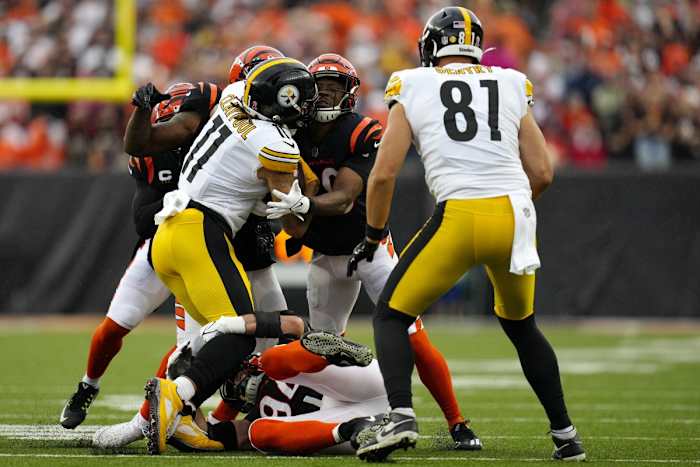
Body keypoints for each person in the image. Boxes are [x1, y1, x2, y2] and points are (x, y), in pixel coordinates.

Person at [348, 7, 585, 462]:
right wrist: (510, 211)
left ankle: (400, 417)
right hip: (515, 215)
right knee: (523, 328)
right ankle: (566, 436)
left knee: (391, 316)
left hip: (459, 215)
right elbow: (543, 171)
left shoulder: (411, 83)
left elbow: (383, 175)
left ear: (430, 47)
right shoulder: (513, 83)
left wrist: (374, 234)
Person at [265, 52, 480, 450]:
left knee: (412, 336)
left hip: (370, 248)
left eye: (335, 88)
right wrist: (294, 206)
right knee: (325, 345)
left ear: (349, 95)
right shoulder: (289, 132)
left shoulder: (362, 131)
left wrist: (307, 204)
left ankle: (457, 422)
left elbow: (346, 197)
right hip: (326, 256)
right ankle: (342, 415)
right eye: (321, 88)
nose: (327, 95)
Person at [143, 57, 319, 455]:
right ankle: (177, 394)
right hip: (200, 233)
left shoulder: (235, 95)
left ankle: (185, 420)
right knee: (242, 333)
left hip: (167, 233)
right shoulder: (277, 145)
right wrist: (302, 205)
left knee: (210, 340)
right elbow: (294, 227)